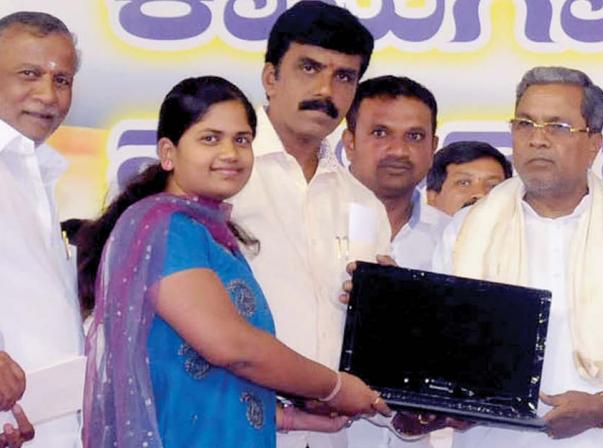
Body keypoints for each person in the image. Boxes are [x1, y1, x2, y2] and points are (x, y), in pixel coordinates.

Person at [79, 76, 389, 448]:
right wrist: (333, 387)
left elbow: (203, 376)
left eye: (241, 140)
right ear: (168, 152)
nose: (230, 153)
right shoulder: (167, 228)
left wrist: (292, 417)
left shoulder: (211, 233)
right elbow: (232, 348)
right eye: (210, 138)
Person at [432, 66, 603, 447]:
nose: (537, 140)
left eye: (558, 127)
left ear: (594, 144)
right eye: (525, 124)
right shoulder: (467, 231)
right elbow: (441, 346)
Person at [228, 2, 392, 447]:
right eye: (309, 67)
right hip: (231, 425)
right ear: (270, 78)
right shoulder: (219, 175)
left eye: (344, 76)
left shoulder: (363, 204)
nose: (326, 89)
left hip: (332, 436)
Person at [0, 11, 83, 447]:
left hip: (41, 427)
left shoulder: (37, 168)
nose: (48, 95)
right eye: (29, 74)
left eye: (62, 79)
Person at [344, 75, 449, 273]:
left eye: (414, 136)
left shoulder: (453, 238)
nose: (399, 151)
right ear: (350, 143)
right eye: (380, 133)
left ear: (433, 148)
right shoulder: (308, 221)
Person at [426, 141, 512, 216]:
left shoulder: (520, 234)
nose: (480, 194)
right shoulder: (417, 234)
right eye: (464, 183)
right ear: (432, 197)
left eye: (493, 186)